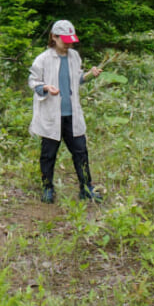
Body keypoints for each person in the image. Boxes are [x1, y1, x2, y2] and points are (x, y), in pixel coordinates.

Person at [28, 19, 103, 204]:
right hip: (51, 116)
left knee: (81, 152)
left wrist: (89, 75)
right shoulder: (43, 59)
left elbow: (76, 79)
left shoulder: (74, 57)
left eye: (71, 41)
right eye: (64, 40)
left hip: (71, 114)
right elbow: (33, 82)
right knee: (48, 154)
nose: (68, 44)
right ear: (54, 37)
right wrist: (46, 87)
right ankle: (47, 188)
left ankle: (86, 188)